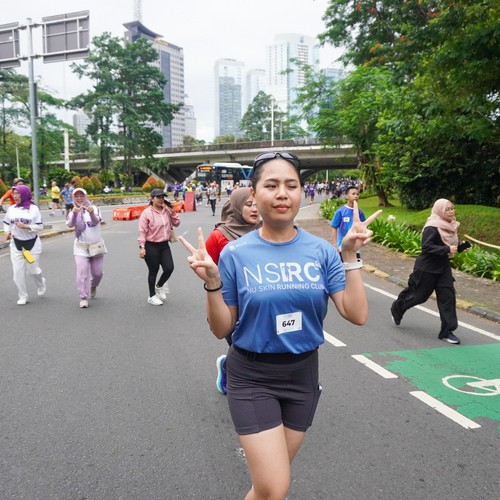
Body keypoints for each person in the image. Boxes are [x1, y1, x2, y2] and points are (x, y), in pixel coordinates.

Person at [179, 151, 381, 499]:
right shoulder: (235, 254)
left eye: (291, 185)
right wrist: (212, 282)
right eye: (271, 185)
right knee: (274, 487)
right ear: (254, 194)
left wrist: (349, 255)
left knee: (266, 489)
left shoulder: (322, 252)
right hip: (252, 376)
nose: (282, 194)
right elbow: (220, 328)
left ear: (301, 192)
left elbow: (356, 314)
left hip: (303, 375)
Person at [204, 187, 261, 395]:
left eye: (257, 204)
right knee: (240, 344)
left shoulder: (266, 231)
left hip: (260, 299)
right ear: (236, 207)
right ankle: (231, 370)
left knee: (258, 344)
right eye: (249, 204)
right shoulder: (219, 236)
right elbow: (208, 271)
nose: (254, 209)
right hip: (230, 301)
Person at [390, 199, 469, 344]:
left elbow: (448, 247)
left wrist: (459, 247)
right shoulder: (432, 227)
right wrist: (447, 249)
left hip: (443, 267)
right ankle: (398, 308)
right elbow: (426, 247)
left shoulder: (452, 226)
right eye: (447, 209)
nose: (451, 211)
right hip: (426, 268)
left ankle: (447, 331)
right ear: (439, 211)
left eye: (452, 208)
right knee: (419, 296)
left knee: (447, 297)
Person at [2, 185, 46, 305]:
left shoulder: (33, 209)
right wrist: (7, 232)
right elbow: (6, 223)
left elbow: (40, 226)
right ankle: (23, 295)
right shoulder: (11, 209)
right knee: (17, 272)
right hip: (16, 244)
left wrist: (26, 226)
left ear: (25, 194)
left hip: (32, 244)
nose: (15, 196)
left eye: (18, 194)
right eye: (14, 194)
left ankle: (41, 283)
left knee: (32, 270)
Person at [138, 188, 180, 306]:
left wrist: (173, 212)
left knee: (169, 268)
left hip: (164, 244)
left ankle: (159, 286)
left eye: (163, 197)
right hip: (151, 245)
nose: (161, 199)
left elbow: (177, 223)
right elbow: (142, 231)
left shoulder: (166, 210)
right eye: (158, 197)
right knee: (153, 271)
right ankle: (151, 296)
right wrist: (142, 247)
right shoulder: (146, 213)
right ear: (152, 198)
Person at [66, 188, 105, 308]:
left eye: (81, 195)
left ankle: (93, 286)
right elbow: (70, 224)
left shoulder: (94, 208)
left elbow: (96, 221)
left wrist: (91, 213)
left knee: (98, 273)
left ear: (86, 196)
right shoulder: (73, 211)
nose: (79, 198)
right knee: (81, 273)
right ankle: (83, 297)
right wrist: (75, 214)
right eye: (76, 196)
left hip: (96, 246)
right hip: (81, 247)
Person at [330, 185, 366, 261]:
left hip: (355, 248)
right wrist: (334, 244)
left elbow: (363, 227)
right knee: (343, 266)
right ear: (347, 196)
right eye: (353, 194)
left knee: (355, 266)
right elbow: (334, 227)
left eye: (357, 194)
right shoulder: (341, 211)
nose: (356, 196)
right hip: (342, 246)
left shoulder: (360, 213)